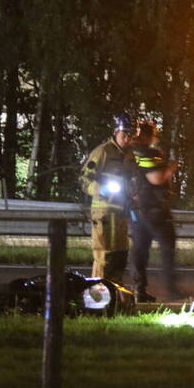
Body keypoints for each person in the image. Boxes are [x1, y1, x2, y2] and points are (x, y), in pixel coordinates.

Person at [130, 121, 184, 301]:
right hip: (153, 208)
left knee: (140, 249)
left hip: (136, 208)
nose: (156, 137)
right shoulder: (146, 152)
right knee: (167, 245)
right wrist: (171, 167)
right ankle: (171, 289)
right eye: (154, 134)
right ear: (149, 135)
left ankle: (139, 290)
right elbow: (156, 178)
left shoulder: (130, 152)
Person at [80, 113, 135, 284]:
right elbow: (84, 179)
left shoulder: (130, 155)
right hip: (103, 212)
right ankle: (97, 297)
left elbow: (132, 178)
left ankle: (114, 296)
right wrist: (100, 189)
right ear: (115, 133)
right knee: (104, 257)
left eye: (129, 135)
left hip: (121, 213)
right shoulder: (102, 152)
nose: (126, 138)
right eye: (123, 134)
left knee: (120, 255)